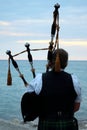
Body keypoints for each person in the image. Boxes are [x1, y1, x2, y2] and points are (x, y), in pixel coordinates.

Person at [24, 48, 81, 130]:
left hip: (46, 124)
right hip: (67, 124)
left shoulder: (40, 78)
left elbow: (28, 101)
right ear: (66, 63)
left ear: (50, 62)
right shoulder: (74, 80)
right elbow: (76, 107)